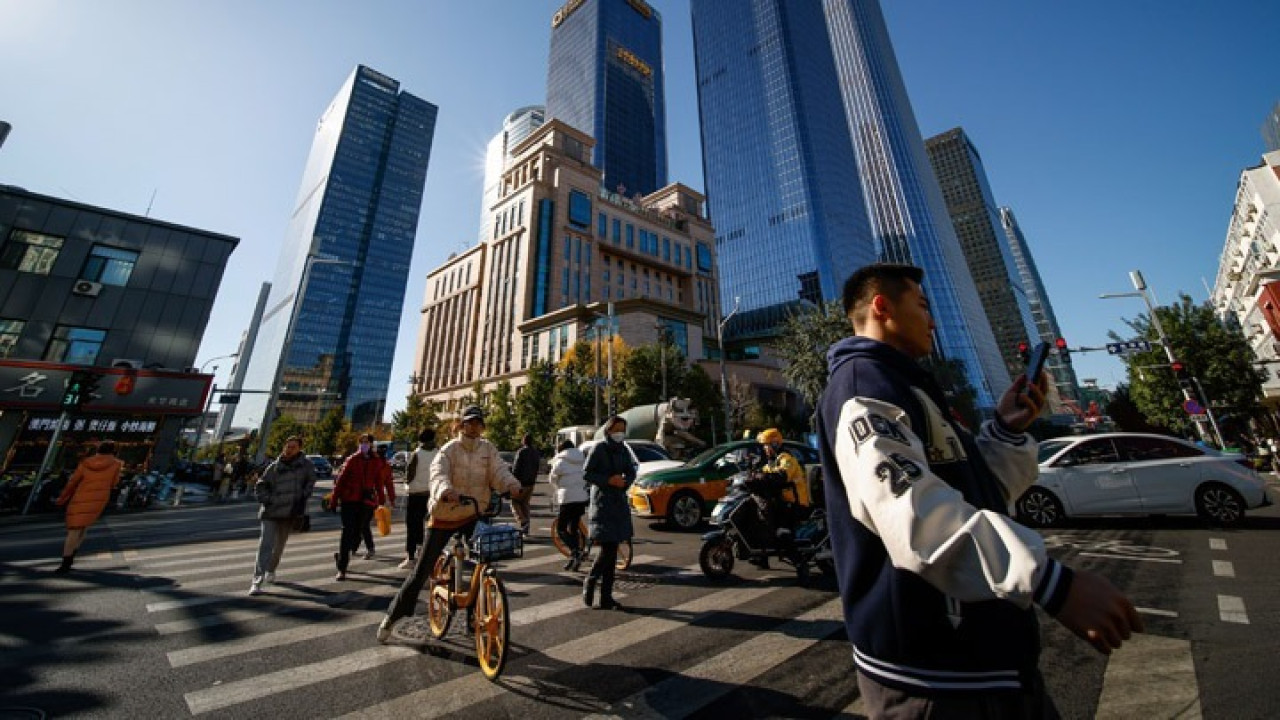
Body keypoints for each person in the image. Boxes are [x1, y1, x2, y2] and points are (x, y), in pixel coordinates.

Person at [817, 263, 1142, 717]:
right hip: (935, 681)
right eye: (922, 306)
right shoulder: (863, 385)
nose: (933, 321)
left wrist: (1007, 431)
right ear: (882, 307)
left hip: (988, 668)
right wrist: (1052, 584)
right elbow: (914, 514)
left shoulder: (909, 385)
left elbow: (975, 491)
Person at [376, 405, 521, 643]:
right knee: (422, 571)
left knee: (483, 561)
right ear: (461, 425)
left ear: (482, 426)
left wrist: (512, 485)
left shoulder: (488, 449)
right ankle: (392, 617)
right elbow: (438, 474)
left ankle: (474, 615)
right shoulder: (449, 449)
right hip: (445, 514)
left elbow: (499, 472)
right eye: (469, 422)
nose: (473, 427)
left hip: (473, 512)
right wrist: (446, 491)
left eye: (478, 423)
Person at [248, 435, 316, 595]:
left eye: (293, 447)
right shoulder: (275, 466)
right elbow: (261, 485)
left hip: (289, 513)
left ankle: (271, 570)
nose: (289, 449)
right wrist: (268, 500)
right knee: (265, 545)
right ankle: (257, 581)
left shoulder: (306, 465)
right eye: (287, 446)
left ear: (299, 449)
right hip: (271, 512)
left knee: (278, 547)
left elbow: (311, 482)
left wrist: (302, 495)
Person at [582, 415, 635, 611]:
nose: (620, 433)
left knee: (612, 553)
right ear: (608, 430)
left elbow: (631, 471)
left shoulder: (623, 449)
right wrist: (608, 480)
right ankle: (591, 579)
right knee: (608, 549)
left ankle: (606, 597)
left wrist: (625, 482)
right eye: (616, 429)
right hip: (602, 503)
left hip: (618, 503)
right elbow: (587, 473)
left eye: (622, 430)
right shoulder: (599, 448)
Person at [745, 428, 808, 578]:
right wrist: (751, 475)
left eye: (766, 445)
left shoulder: (786, 459)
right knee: (761, 520)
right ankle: (762, 556)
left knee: (781, 532)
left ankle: (800, 564)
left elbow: (780, 476)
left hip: (795, 503)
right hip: (782, 502)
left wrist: (762, 477)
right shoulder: (772, 461)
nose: (764, 449)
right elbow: (763, 473)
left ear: (774, 444)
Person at [53, 441, 124, 573]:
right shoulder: (116, 464)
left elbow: (73, 481)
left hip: (80, 496)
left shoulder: (86, 463)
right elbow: (114, 483)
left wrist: (62, 498)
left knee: (74, 530)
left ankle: (66, 561)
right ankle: (71, 556)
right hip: (98, 499)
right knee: (83, 527)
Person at [332, 433, 394, 580]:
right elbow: (341, 481)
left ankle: (341, 556)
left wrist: (381, 500)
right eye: (362, 442)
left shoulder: (376, 461)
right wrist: (334, 500)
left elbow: (379, 482)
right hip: (349, 500)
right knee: (347, 531)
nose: (365, 444)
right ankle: (342, 568)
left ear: (372, 444)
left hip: (366, 501)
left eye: (367, 442)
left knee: (358, 531)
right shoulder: (352, 459)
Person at [399, 427, 438, 569]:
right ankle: (422, 551)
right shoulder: (438, 453)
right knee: (426, 524)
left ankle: (410, 557)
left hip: (415, 494)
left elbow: (409, 475)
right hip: (431, 493)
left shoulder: (416, 453)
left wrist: (406, 484)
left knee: (412, 526)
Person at [548, 439, 589, 571]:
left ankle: (576, 551)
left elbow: (552, 478)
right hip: (582, 497)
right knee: (573, 527)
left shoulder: (560, 461)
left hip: (567, 498)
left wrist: (557, 487)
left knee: (561, 528)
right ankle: (575, 557)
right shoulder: (582, 459)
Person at [510, 433, 541, 535]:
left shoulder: (521, 451)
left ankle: (523, 521)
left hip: (521, 482)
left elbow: (516, 467)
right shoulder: (536, 452)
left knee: (514, 502)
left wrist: (513, 480)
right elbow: (537, 467)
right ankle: (526, 526)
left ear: (524, 441)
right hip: (531, 482)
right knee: (525, 504)